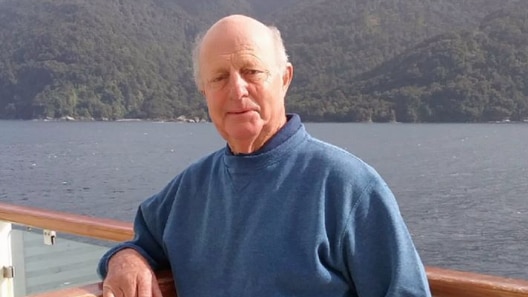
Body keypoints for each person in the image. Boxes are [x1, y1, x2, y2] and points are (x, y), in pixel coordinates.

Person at [97, 14, 432, 297]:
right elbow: (141, 242)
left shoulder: (349, 188)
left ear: (284, 79)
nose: (237, 90)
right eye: (219, 78)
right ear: (204, 92)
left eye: (252, 71)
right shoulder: (187, 191)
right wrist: (125, 257)